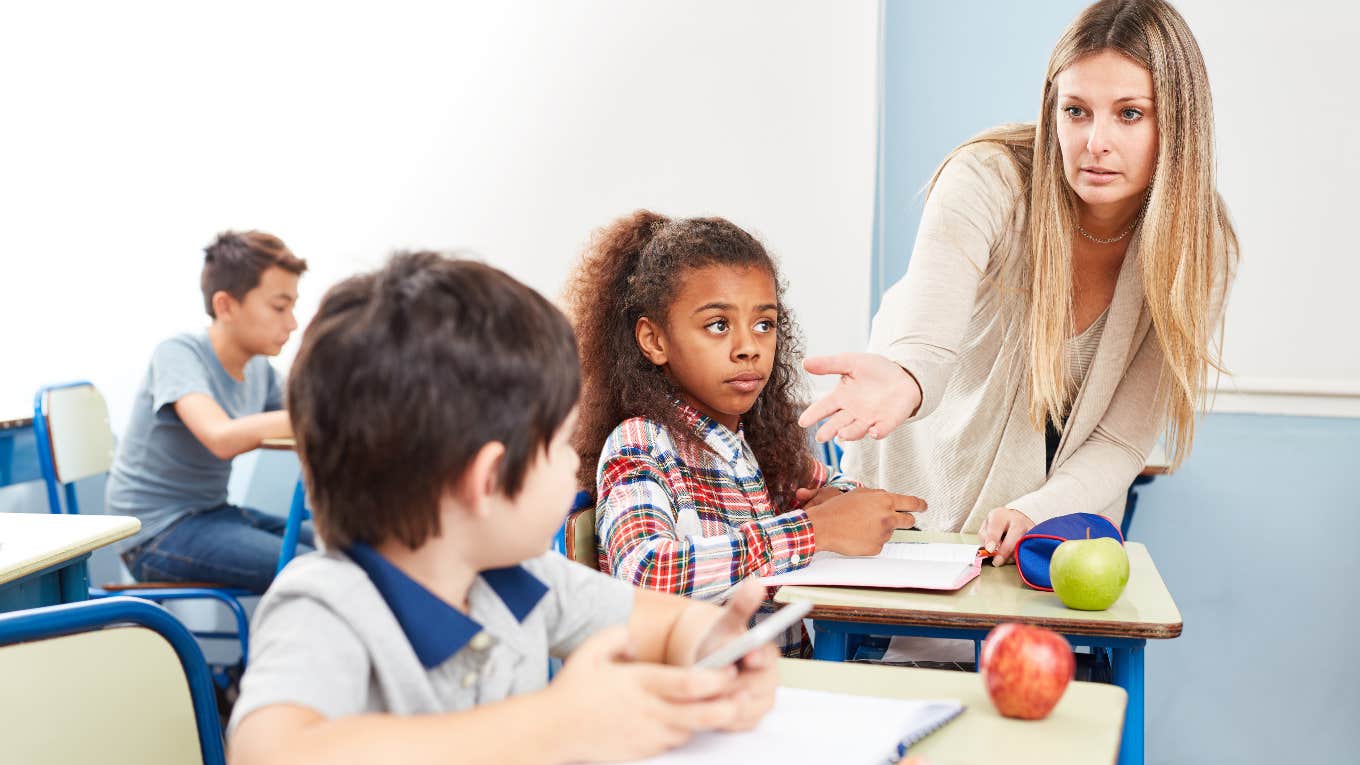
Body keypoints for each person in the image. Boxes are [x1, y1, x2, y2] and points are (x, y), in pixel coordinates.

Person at [227, 251, 779, 765]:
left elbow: (669, 624)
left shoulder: (517, 578)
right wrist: (555, 724)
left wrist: (715, 648)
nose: (571, 466)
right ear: (490, 481)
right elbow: (271, 752)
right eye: (559, 444)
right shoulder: (327, 604)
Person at [800, 0, 1236, 565]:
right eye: (1076, 111)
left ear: (1178, 122)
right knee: (892, 643)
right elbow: (928, 337)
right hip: (925, 457)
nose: (1094, 141)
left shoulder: (1200, 248)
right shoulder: (988, 177)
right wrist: (905, 377)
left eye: (1130, 114)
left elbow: (1123, 437)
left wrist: (1041, 508)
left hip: (1054, 498)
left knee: (1021, 645)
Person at [568, 210, 925, 657]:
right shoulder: (641, 442)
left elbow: (831, 487)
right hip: (702, 707)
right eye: (718, 325)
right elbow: (644, 573)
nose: (749, 347)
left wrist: (836, 500)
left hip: (779, 688)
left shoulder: (753, 443)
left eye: (764, 324)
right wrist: (813, 529)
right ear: (654, 340)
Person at [108, 230, 315, 593]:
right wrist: (321, 416)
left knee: (346, 550)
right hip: (154, 534)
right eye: (280, 307)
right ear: (225, 306)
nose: (292, 323)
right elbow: (220, 437)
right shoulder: (178, 354)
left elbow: (306, 413)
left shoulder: (259, 372)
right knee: (307, 569)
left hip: (213, 513)